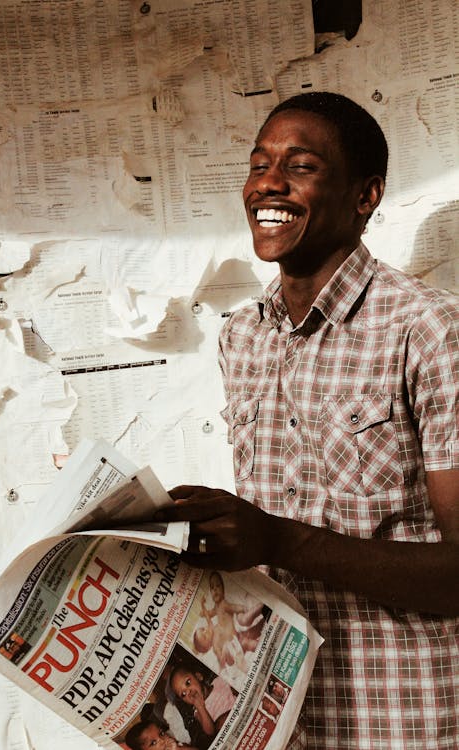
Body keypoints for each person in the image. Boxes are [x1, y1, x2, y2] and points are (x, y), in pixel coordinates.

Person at [155, 92, 459, 748]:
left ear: (365, 195)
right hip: (276, 722)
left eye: (301, 166)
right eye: (260, 164)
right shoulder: (243, 338)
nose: (268, 181)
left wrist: (279, 539)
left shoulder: (429, 330)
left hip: (399, 724)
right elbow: (263, 542)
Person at [193, 571, 265, 673]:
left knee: (250, 625)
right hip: (237, 648)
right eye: (204, 636)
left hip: (240, 635)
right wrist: (222, 664)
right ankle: (265, 657)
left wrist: (202, 605)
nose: (206, 631)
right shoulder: (215, 646)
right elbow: (221, 659)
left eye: (203, 629)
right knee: (251, 644)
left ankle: (263, 608)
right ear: (207, 647)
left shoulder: (216, 617)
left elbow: (209, 616)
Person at [168, 662, 236, 742]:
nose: (188, 692)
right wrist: (200, 707)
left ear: (198, 677)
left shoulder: (219, 681)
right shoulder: (198, 712)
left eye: (188, 683)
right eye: (183, 694)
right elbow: (210, 732)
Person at [122, 715, 198, 750]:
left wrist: (179, 749)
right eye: (153, 743)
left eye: (161, 733)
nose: (162, 740)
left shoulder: (178, 745)